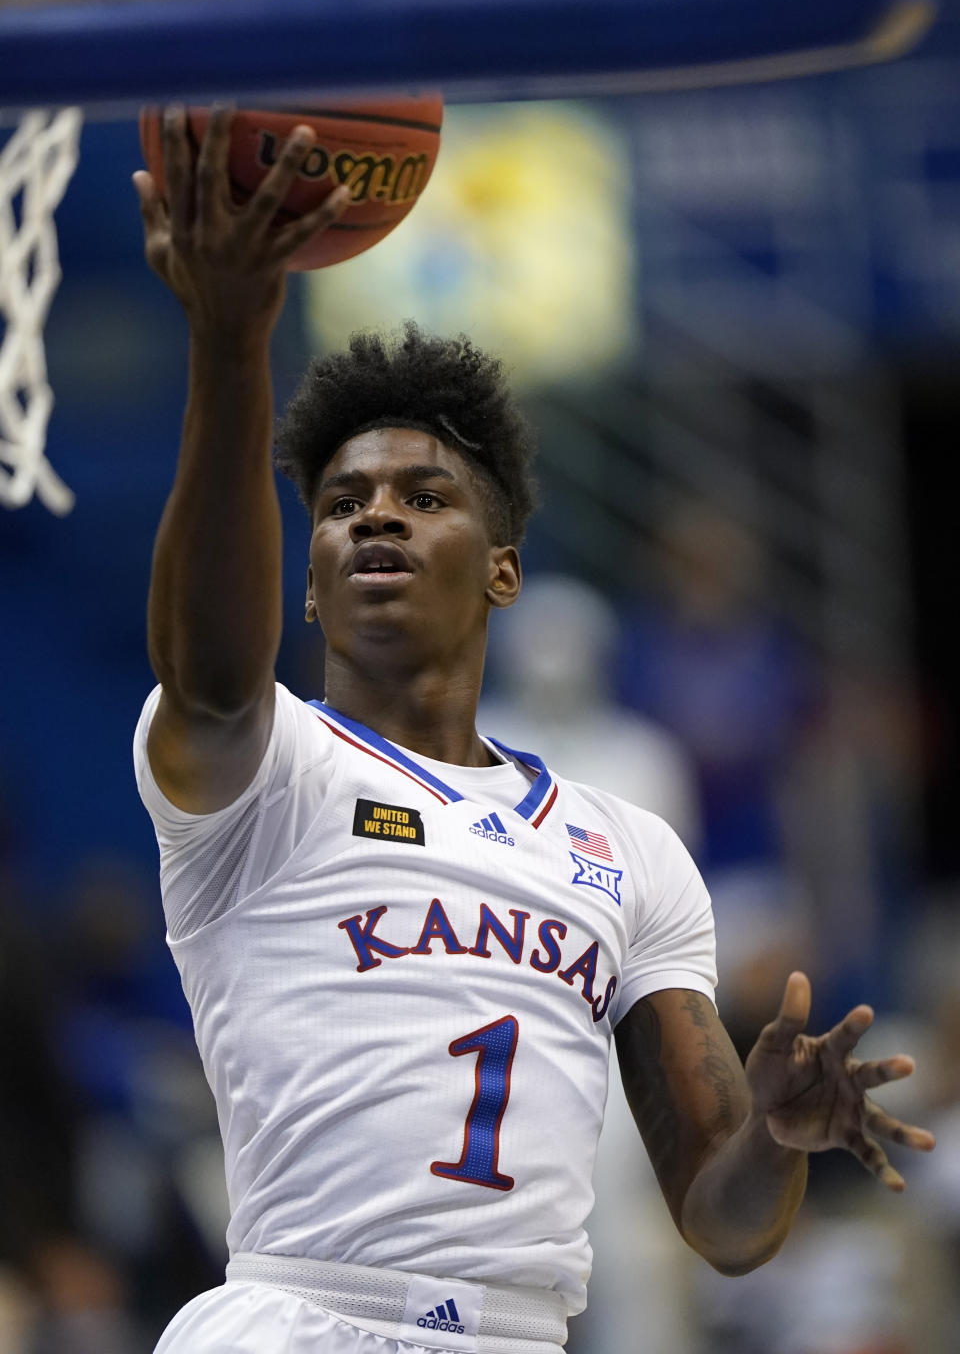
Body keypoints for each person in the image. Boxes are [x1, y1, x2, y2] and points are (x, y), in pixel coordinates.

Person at [131, 107, 934, 1354]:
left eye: (423, 495)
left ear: (502, 571)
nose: (376, 517)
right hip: (300, 1317)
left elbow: (723, 1224)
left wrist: (777, 1138)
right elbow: (215, 674)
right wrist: (232, 336)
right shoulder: (268, 768)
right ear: (306, 575)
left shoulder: (630, 848)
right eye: (344, 503)